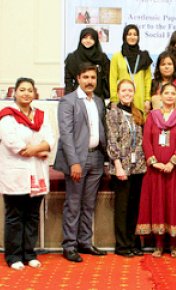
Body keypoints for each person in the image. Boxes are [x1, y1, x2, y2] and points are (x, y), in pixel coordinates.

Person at [54, 63, 108, 263]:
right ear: (78, 78)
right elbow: (66, 135)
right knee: (73, 204)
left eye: (93, 77)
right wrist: (73, 162)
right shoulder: (68, 101)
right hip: (77, 160)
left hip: (96, 159)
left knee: (88, 204)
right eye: (85, 77)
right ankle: (69, 245)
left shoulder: (99, 102)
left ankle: (85, 241)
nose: (89, 81)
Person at [0, 77, 54, 270]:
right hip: (15, 173)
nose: (26, 93)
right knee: (14, 216)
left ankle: (29, 253)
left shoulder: (41, 115)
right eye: (22, 90)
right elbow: (13, 143)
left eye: (29, 90)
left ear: (34, 93)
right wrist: (36, 150)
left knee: (32, 215)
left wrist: (36, 149)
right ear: (14, 92)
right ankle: (13, 256)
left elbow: (50, 139)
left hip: (36, 173)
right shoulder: (6, 116)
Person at [136, 83, 176, 258]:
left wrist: (172, 163)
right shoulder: (152, 117)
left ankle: (174, 245)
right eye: (166, 93)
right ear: (160, 96)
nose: (169, 96)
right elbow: (146, 141)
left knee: (174, 203)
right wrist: (154, 162)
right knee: (158, 204)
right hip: (156, 170)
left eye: (172, 93)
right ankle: (159, 244)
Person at [106, 79, 146, 257]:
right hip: (121, 168)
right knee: (122, 208)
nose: (127, 93)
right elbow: (112, 140)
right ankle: (122, 246)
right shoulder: (113, 113)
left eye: (130, 90)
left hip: (138, 167)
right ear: (118, 92)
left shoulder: (138, 113)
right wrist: (117, 165)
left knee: (134, 207)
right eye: (124, 90)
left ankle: (132, 243)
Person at [110, 24, 153, 117]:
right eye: (129, 34)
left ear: (138, 37)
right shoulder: (117, 56)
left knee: (139, 127)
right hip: (122, 98)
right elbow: (112, 79)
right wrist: (114, 100)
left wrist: (147, 99)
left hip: (139, 99)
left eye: (135, 34)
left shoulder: (144, 57)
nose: (132, 37)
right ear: (124, 36)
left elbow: (147, 80)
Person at [64, 27, 110, 100]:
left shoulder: (102, 58)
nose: (88, 41)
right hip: (78, 98)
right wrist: (69, 99)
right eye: (85, 38)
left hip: (98, 98)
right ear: (80, 39)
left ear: (96, 40)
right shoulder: (72, 58)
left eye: (91, 38)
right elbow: (68, 80)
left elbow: (107, 78)